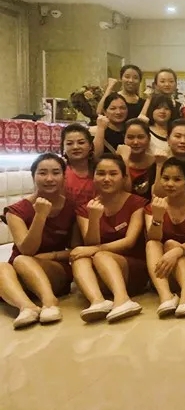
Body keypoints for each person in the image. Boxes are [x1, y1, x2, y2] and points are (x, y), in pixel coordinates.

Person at [0, 153, 77, 328]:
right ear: (33, 176)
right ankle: (27, 307)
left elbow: (77, 250)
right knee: (4, 266)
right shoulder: (15, 211)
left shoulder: (71, 207)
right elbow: (27, 250)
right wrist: (40, 216)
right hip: (20, 268)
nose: (49, 178)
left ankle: (49, 302)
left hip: (54, 270)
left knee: (22, 260)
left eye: (56, 173)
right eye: (42, 173)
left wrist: (50, 256)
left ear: (64, 177)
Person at [71, 154, 148, 323]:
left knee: (98, 255)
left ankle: (123, 299)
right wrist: (94, 218)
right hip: (100, 271)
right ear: (93, 177)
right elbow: (90, 243)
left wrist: (95, 250)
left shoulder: (137, 203)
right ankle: (97, 301)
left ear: (124, 178)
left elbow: (129, 242)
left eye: (113, 174)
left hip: (132, 268)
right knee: (79, 259)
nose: (106, 179)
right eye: (101, 174)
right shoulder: (86, 208)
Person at [144, 158, 185, 318]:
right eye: (166, 178)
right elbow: (153, 237)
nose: (170, 184)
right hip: (165, 268)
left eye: (177, 179)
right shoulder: (154, 206)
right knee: (152, 244)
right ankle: (166, 296)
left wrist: (176, 251)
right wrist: (158, 217)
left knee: (170, 244)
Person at [117, 118, 158, 200]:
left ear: (149, 138)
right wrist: (124, 160)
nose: (135, 142)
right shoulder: (115, 162)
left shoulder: (157, 162)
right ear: (124, 138)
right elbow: (124, 192)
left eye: (140, 137)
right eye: (130, 137)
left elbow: (159, 195)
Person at [61, 123, 95, 208]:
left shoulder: (100, 170)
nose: (75, 147)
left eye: (81, 142)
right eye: (69, 144)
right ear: (63, 147)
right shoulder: (59, 172)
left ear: (90, 146)